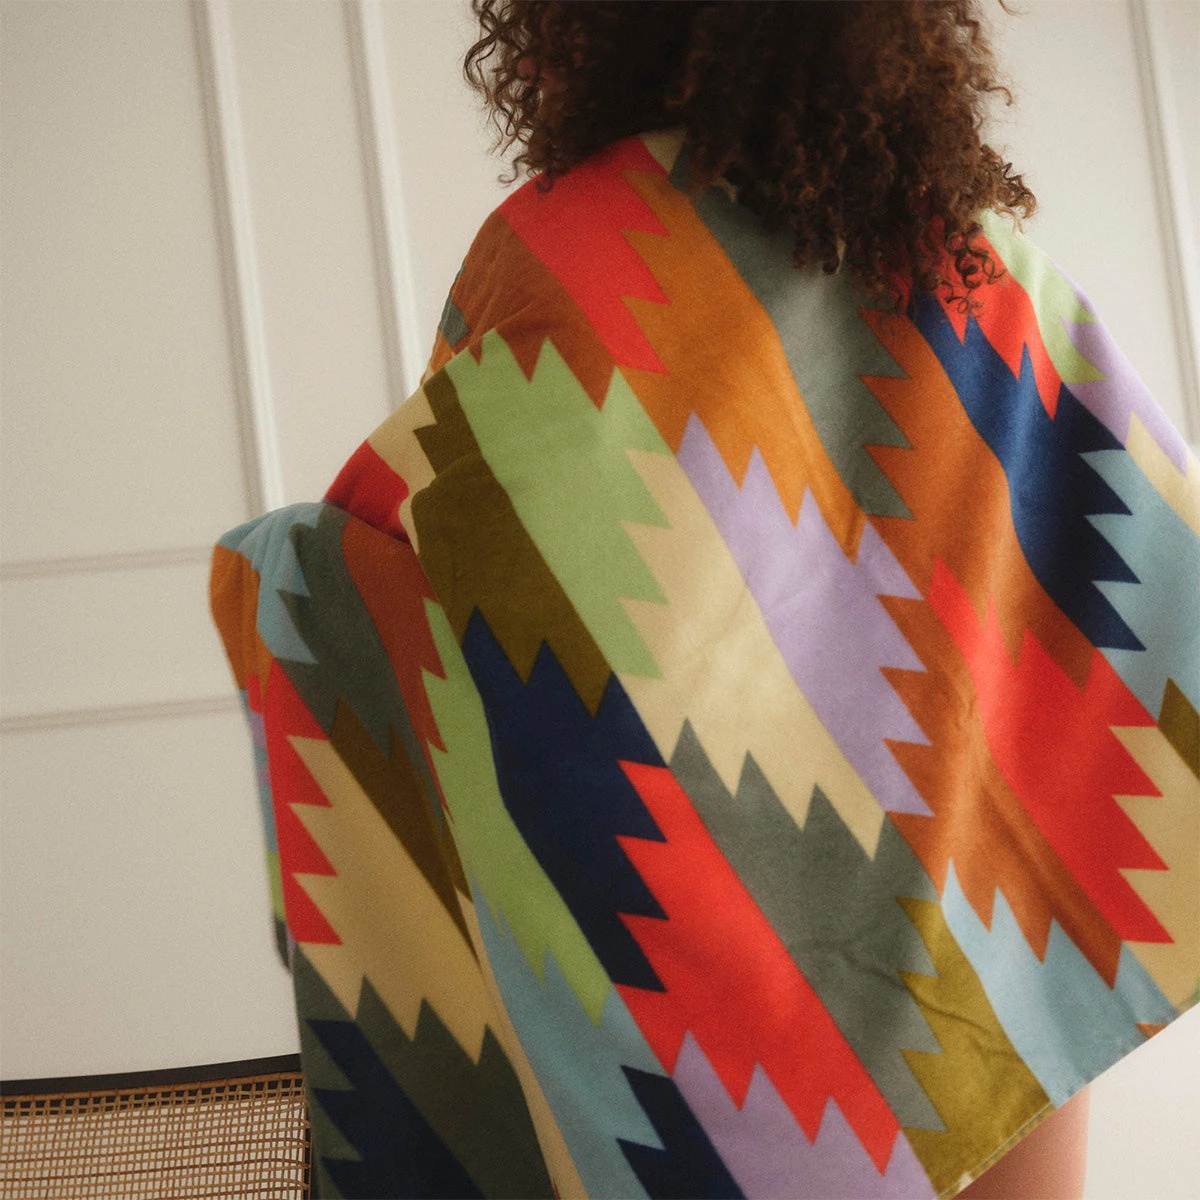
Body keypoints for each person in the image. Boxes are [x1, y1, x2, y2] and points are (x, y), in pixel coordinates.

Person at [210, 2, 1199, 1197]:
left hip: (688, 947)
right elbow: (1128, 553)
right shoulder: (975, 264)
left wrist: (295, 575)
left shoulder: (562, 248)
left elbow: (455, 556)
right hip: (988, 937)